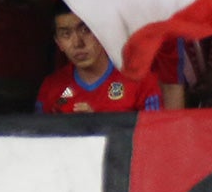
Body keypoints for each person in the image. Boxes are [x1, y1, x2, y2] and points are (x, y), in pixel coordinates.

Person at [35, 9, 163, 114]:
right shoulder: (51, 87)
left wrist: (99, 125)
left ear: (102, 32)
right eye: (66, 34)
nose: (77, 43)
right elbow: (37, 140)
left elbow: (154, 139)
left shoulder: (141, 80)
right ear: (59, 43)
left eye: (86, 30)